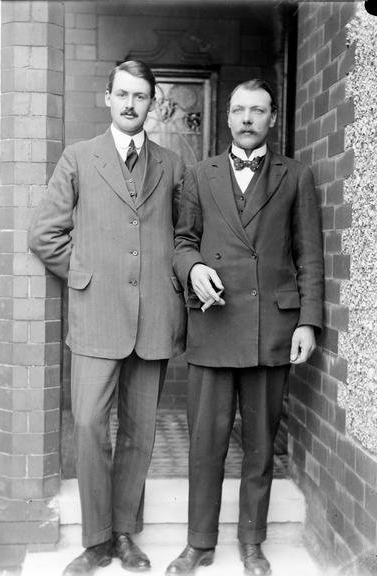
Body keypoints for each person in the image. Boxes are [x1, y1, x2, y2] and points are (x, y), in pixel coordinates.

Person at [28, 60, 186, 576]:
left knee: (141, 433)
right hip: (96, 319)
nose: (130, 104)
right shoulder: (78, 159)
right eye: (122, 94)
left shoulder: (172, 164)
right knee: (91, 425)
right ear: (107, 97)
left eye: (140, 97)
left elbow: (186, 238)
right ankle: (96, 541)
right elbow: (44, 234)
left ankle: (125, 535)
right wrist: (84, 276)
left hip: (154, 318)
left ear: (152, 104)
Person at [166, 79, 324, 576]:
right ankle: (199, 543)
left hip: (270, 330)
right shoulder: (198, 174)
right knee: (206, 444)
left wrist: (309, 322)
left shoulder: (296, 176)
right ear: (229, 118)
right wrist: (192, 268)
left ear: (273, 118)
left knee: (260, 444)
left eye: (258, 110)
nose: (248, 118)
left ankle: (253, 543)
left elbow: (310, 257)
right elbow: (182, 240)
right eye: (239, 110)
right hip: (214, 326)